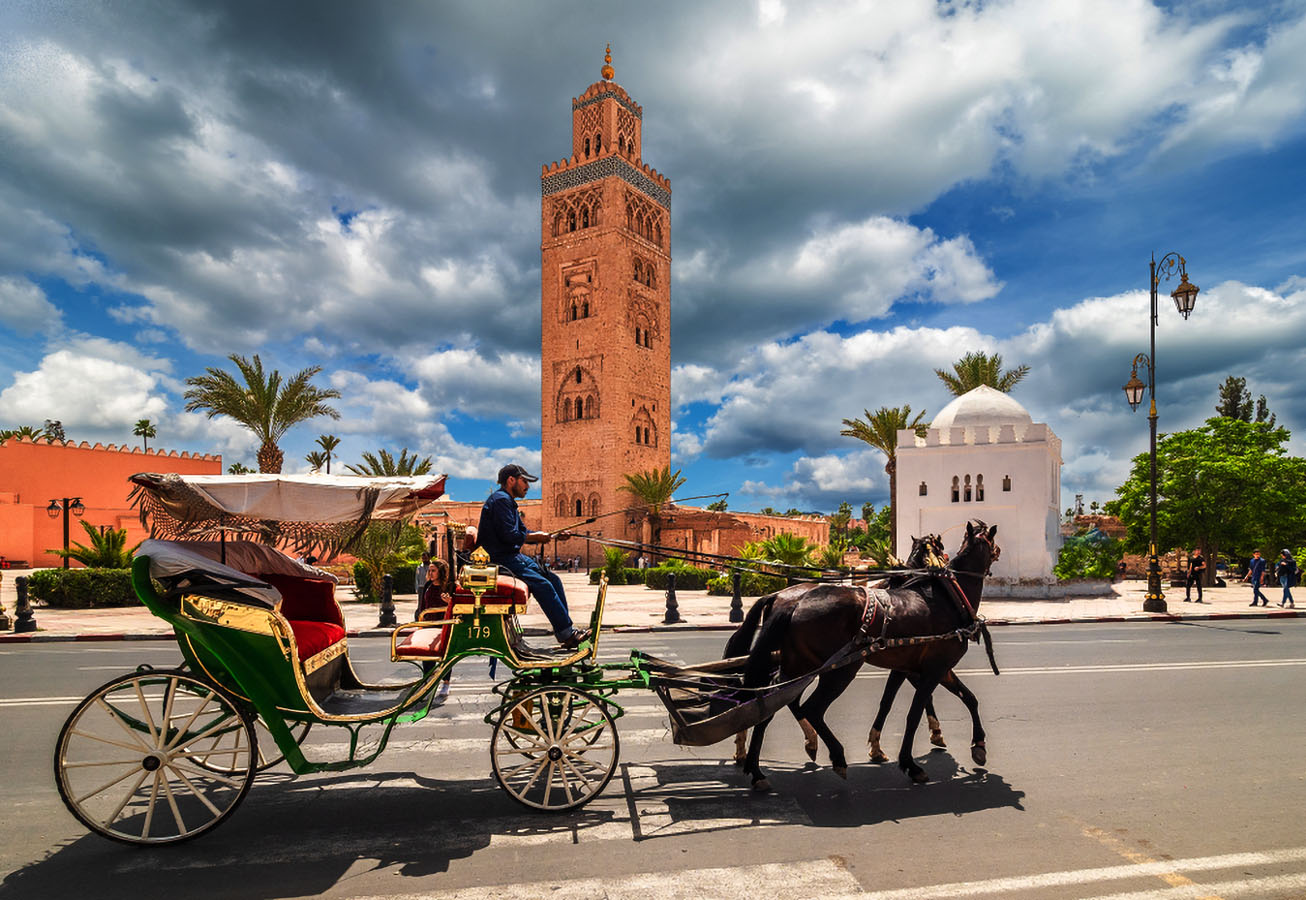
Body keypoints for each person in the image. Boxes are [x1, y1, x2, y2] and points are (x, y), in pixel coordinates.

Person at [476, 464, 590, 648]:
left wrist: (552, 536)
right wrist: (537, 537)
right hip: (501, 559)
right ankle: (567, 633)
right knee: (543, 585)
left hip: (513, 557)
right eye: (524, 481)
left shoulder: (508, 502)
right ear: (511, 480)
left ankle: (565, 631)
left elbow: (522, 532)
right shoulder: (500, 501)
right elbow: (510, 535)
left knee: (553, 580)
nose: (527, 486)